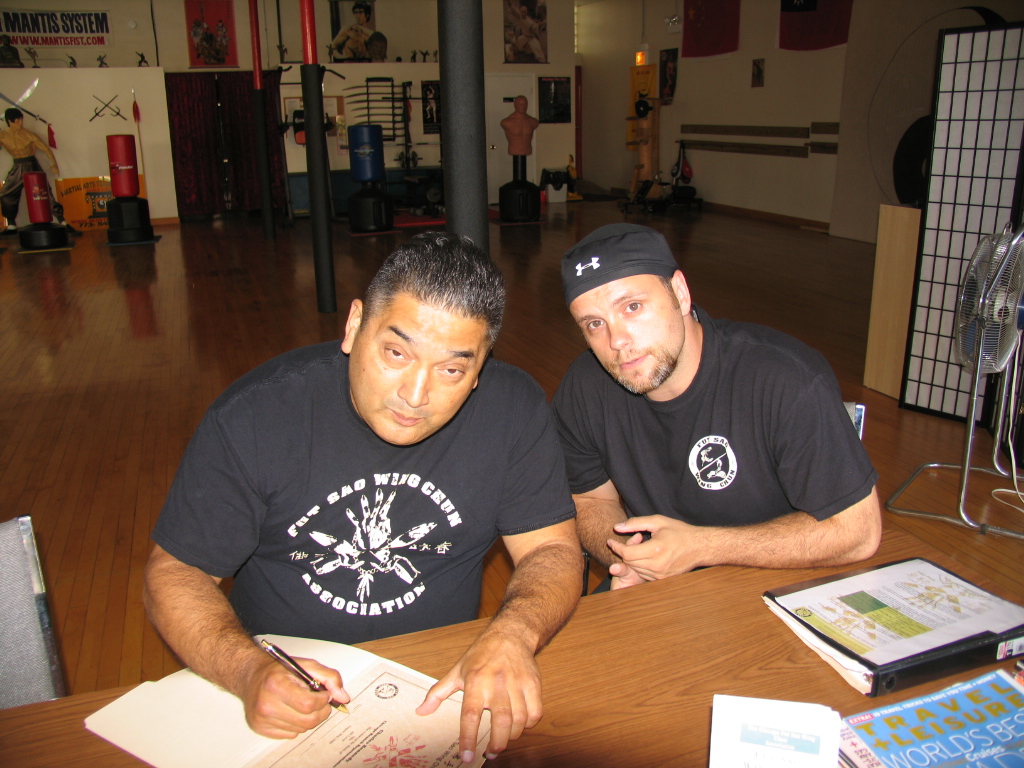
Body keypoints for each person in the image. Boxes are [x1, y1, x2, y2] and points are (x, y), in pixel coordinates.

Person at [144, 232, 582, 763]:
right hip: (286, 685)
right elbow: (174, 574)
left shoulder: (514, 410)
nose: (415, 395)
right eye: (396, 352)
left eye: (452, 369)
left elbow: (552, 551)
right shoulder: (257, 417)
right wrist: (247, 670)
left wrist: (515, 633)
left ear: (481, 366)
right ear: (354, 326)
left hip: (438, 681)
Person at [553, 223, 881, 591]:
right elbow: (589, 497)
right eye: (594, 324)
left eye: (632, 307)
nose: (617, 341)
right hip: (658, 590)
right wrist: (630, 559)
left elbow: (858, 532)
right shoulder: (584, 386)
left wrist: (700, 548)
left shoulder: (784, 379)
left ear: (680, 292)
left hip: (779, 582)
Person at [0, 108, 73, 234]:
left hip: (32, 165)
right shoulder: (2, 135)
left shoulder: (28, 134)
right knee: (7, 194)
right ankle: (11, 225)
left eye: (21, 119)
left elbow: (45, 149)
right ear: (10, 121)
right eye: (18, 120)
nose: (21, 123)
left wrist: (54, 165)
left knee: (44, 192)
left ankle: (62, 221)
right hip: (17, 166)